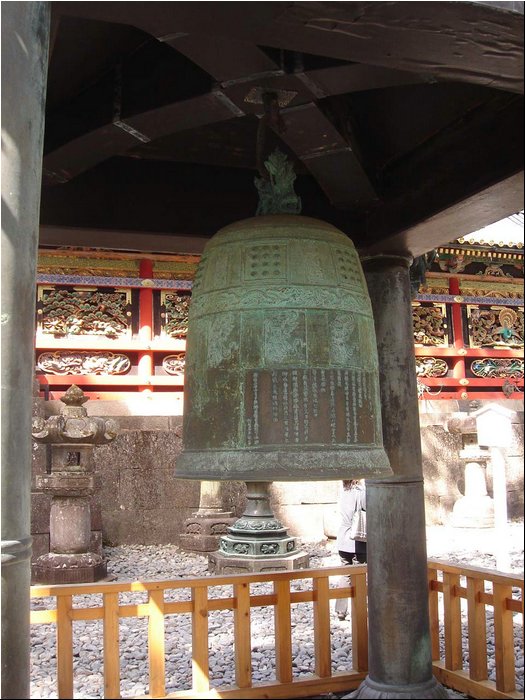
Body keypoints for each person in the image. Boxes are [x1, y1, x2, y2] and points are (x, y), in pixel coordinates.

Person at [334, 479, 367, 621]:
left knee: (345, 573)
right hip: (358, 538)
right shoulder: (361, 493)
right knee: (359, 574)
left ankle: (341, 610)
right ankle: (359, 608)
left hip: (343, 538)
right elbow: (367, 507)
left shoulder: (342, 492)